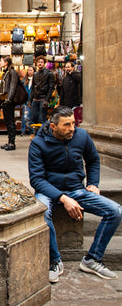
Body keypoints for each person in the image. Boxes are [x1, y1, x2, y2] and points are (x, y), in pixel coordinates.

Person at [28, 106, 122, 283]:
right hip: (48, 191)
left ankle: (93, 259)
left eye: (73, 123)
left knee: (115, 211)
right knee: (42, 212)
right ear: (53, 126)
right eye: (66, 125)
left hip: (77, 189)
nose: (72, 128)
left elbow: (93, 160)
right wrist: (63, 198)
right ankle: (54, 261)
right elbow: (37, 180)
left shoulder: (81, 136)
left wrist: (93, 183)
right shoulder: (38, 143)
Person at [28, 56, 55, 131]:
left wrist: (47, 100)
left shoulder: (49, 73)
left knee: (41, 118)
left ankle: (42, 134)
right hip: (35, 99)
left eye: (41, 62)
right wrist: (30, 100)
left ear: (44, 63)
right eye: (38, 62)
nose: (40, 63)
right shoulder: (35, 74)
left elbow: (51, 87)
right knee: (33, 117)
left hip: (43, 98)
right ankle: (36, 134)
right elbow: (33, 88)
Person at [0, 56, 20, 151]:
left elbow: (12, 87)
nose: (0, 62)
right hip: (5, 100)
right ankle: (9, 141)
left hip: (9, 101)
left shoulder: (12, 72)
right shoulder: (6, 73)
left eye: (1, 61)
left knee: (11, 121)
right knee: (7, 121)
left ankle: (12, 143)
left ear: (6, 62)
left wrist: (8, 99)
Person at [21, 65, 34, 136]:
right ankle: (23, 130)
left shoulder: (35, 80)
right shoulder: (24, 80)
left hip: (32, 100)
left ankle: (31, 130)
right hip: (25, 100)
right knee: (24, 116)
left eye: (31, 70)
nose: (30, 71)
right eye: (29, 70)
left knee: (31, 116)